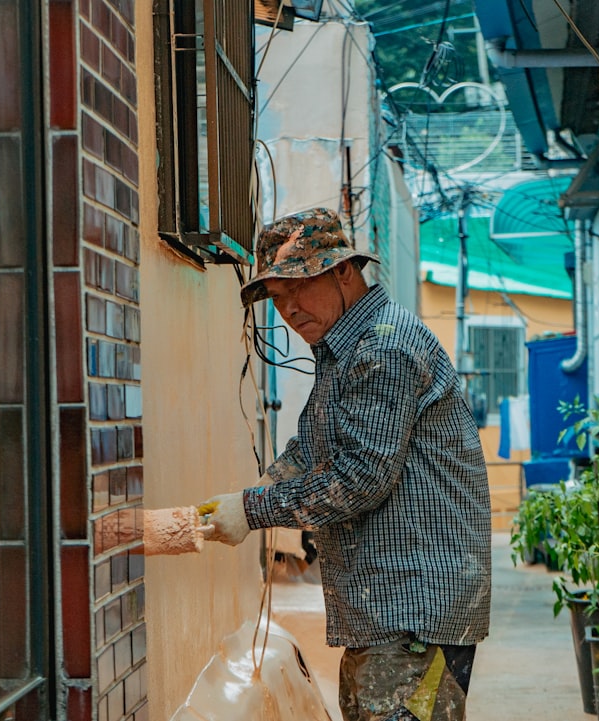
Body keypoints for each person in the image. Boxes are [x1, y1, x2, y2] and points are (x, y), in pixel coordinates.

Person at [202, 207, 492, 721]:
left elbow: (361, 478)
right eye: (276, 297)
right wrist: (262, 489)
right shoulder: (346, 350)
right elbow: (314, 450)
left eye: (298, 288)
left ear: (343, 270)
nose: (288, 310)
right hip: (384, 611)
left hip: (411, 615)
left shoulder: (383, 348)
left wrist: (254, 510)